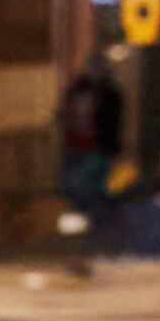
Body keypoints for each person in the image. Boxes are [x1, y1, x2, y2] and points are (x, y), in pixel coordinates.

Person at [56, 56, 127, 221]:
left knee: (92, 185)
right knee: (78, 185)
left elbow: (114, 122)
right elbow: (64, 114)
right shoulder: (77, 90)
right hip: (78, 146)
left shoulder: (109, 93)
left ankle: (94, 218)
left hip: (97, 147)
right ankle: (86, 216)